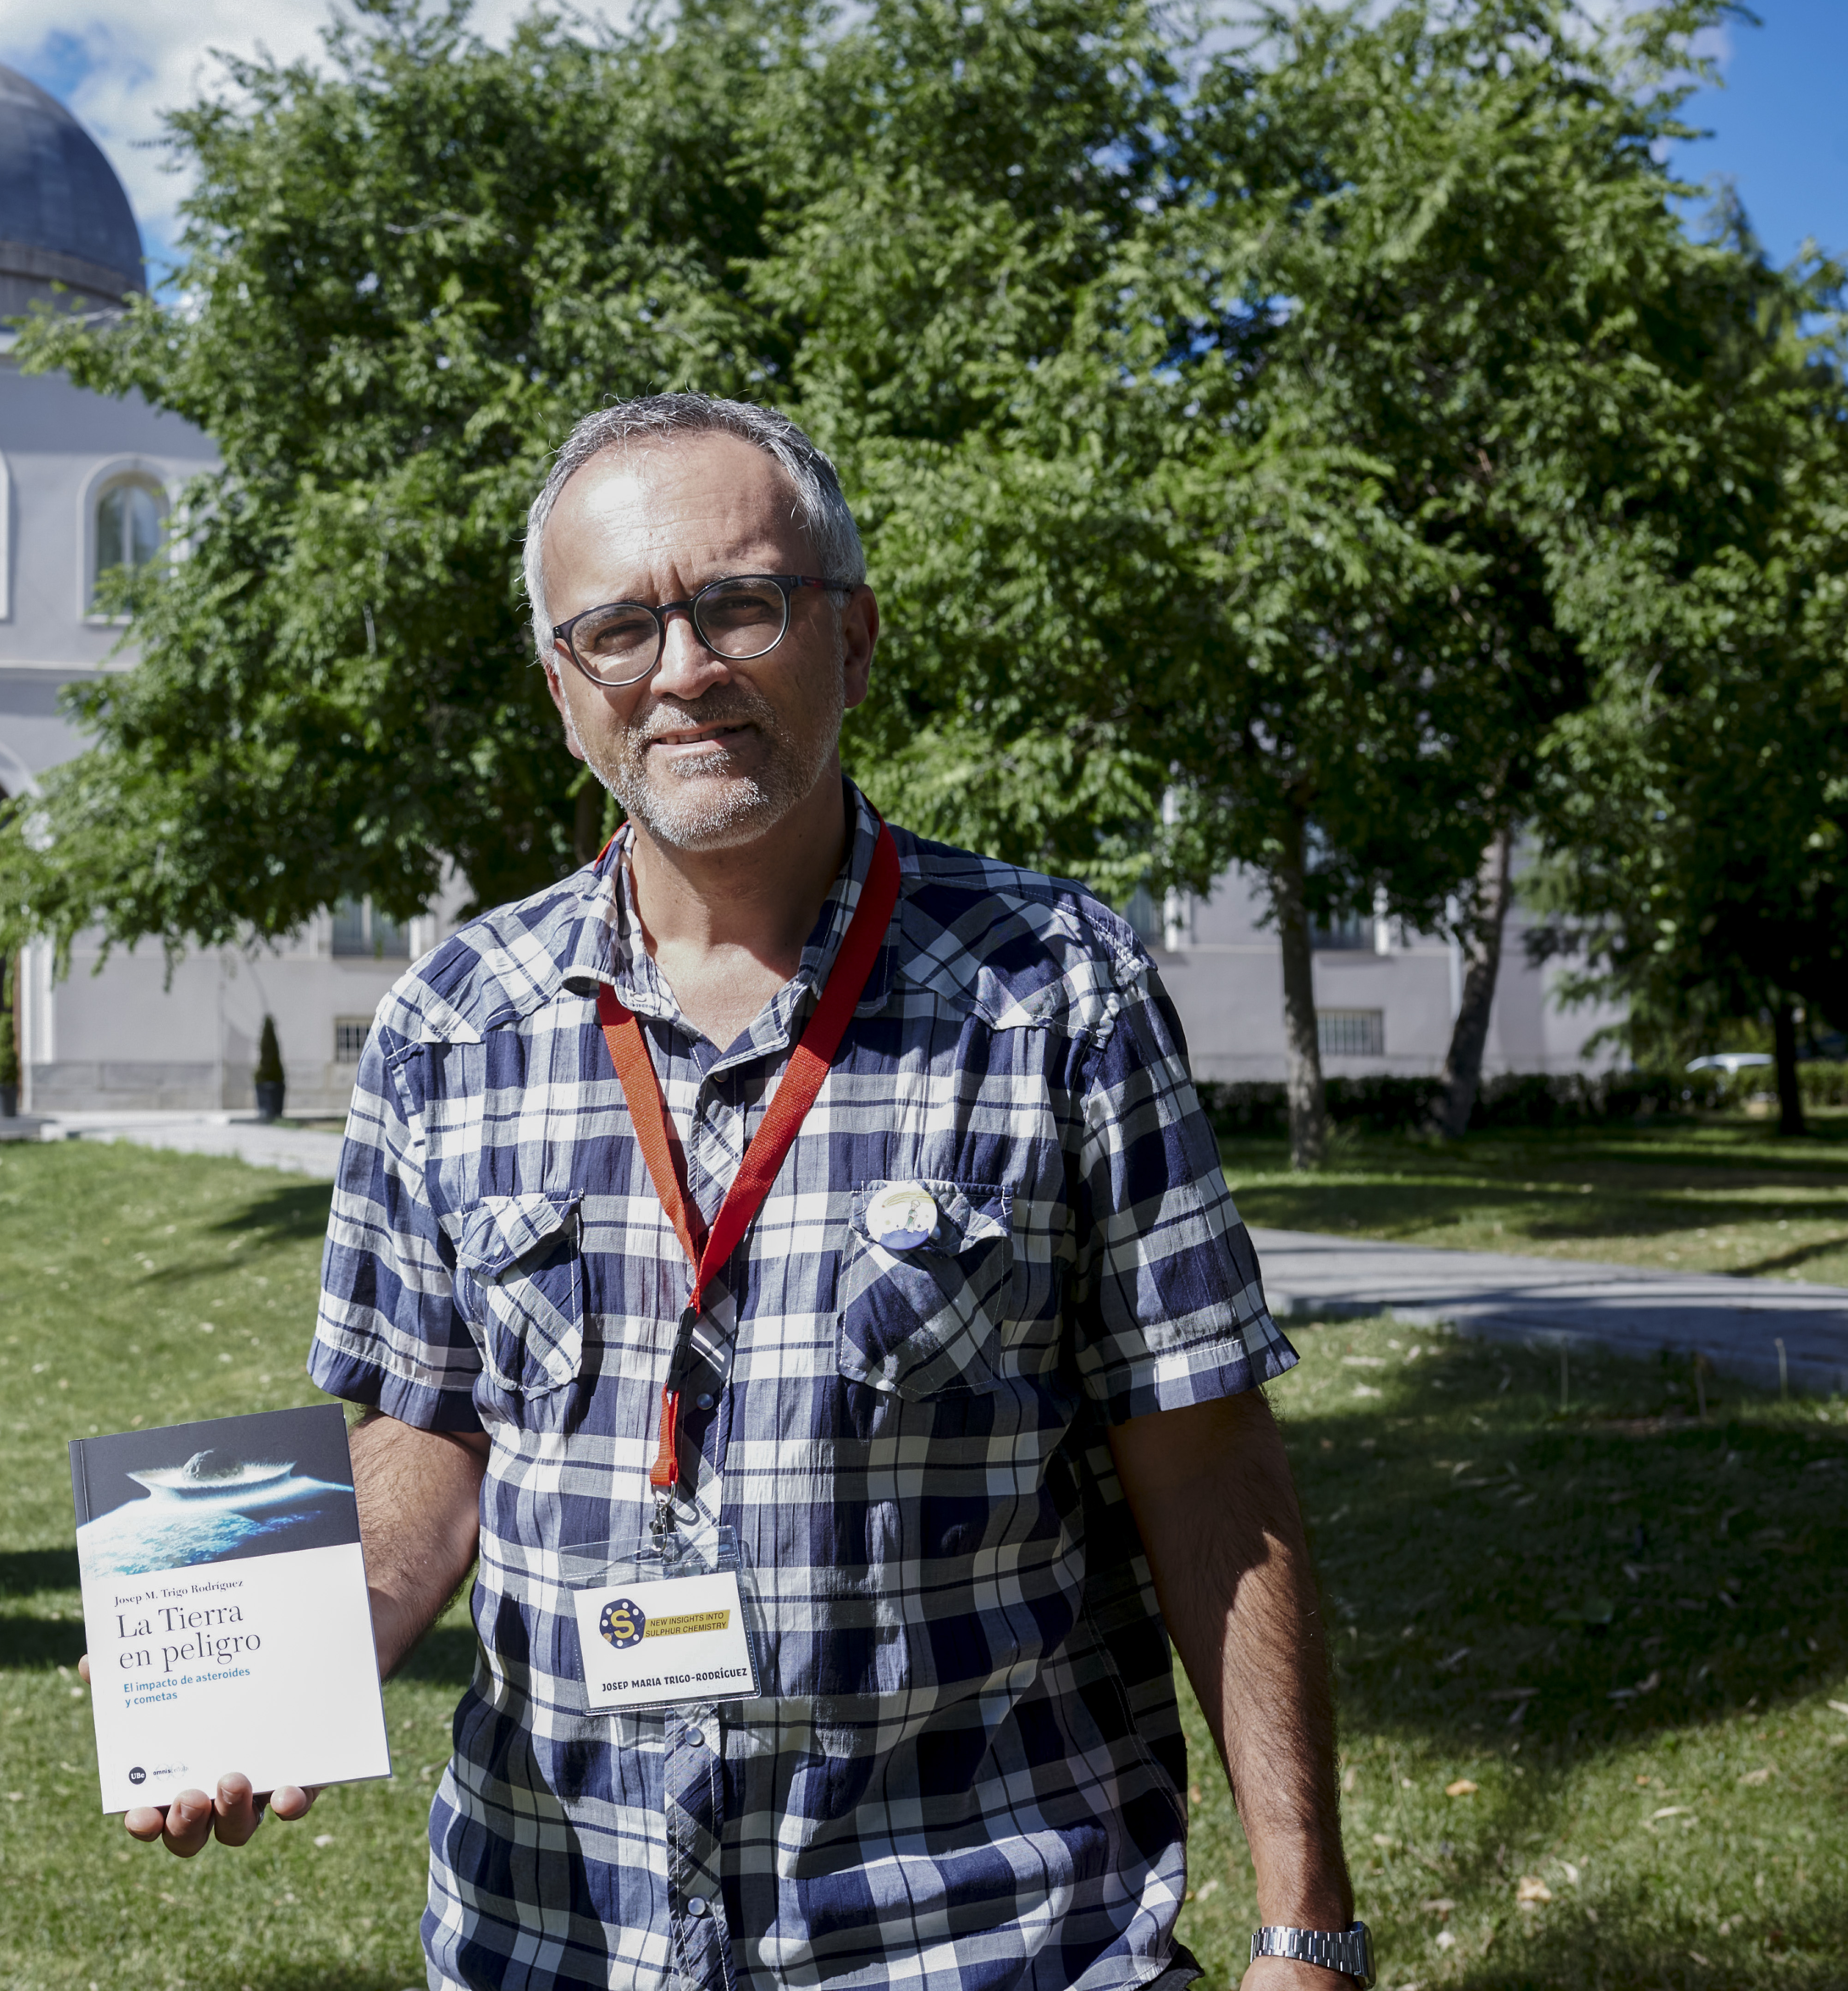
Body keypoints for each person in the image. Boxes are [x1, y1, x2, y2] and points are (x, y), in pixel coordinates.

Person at [121, 394, 1364, 1990]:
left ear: (851, 640)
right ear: (563, 690)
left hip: (984, 1941)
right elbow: (418, 1432)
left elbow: (1206, 1467)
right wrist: (289, 1655)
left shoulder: (1055, 987)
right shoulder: (450, 1021)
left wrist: (1306, 1923)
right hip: (554, 1937)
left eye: (740, 604)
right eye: (620, 627)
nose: (685, 667)